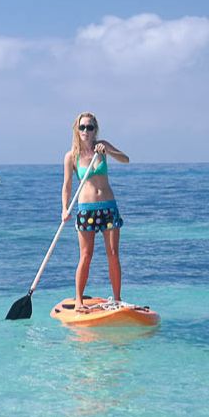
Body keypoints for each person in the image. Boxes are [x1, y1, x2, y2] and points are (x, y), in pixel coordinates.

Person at [61, 112, 130, 312]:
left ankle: (117, 299)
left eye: (90, 127)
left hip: (108, 207)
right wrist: (64, 209)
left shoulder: (103, 147)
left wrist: (107, 152)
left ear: (95, 130)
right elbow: (66, 186)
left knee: (113, 254)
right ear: (77, 129)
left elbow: (125, 159)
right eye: (82, 127)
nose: (86, 131)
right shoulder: (71, 156)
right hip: (86, 210)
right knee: (86, 255)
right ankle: (79, 301)